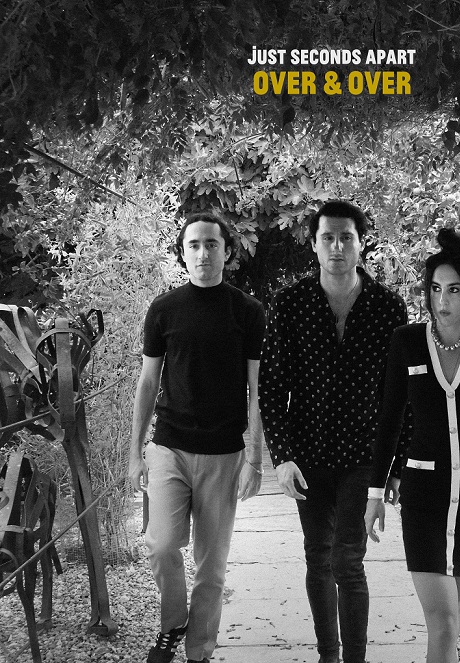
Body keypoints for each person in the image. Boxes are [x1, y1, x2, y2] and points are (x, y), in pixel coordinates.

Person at [259, 200, 409, 663]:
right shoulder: (290, 304)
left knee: (347, 559)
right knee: (317, 556)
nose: (337, 247)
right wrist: (282, 457)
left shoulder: (387, 307)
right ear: (314, 244)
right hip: (307, 453)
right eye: (328, 237)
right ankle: (328, 654)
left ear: (362, 244)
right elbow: (271, 387)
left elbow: (400, 394)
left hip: (364, 454)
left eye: (347, 237)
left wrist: (396, 466)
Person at [364, 227, 460, 663]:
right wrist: (375, 493)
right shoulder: (406, 341)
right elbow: (389, 419)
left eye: (454, 289)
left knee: (449, 622)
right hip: (424, 494)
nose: (443, 300)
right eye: (436, 289)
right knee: (444, 622)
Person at [128, 212, 266, 663]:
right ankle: (173, 625)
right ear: (183, 253)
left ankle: (199, 650)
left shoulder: (248, 311)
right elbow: (148, 382)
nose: (203, 253)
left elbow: (258, 390)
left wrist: (254, 458)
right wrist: (134, 454)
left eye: (211, 244)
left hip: (223, 454)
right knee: (161, 544)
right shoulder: (164, 309)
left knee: (211, 567)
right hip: (169, 445)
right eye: (194, 245)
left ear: (227, 251)